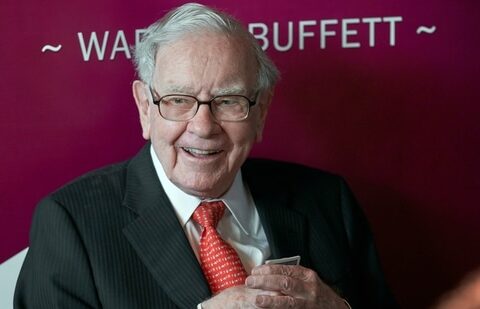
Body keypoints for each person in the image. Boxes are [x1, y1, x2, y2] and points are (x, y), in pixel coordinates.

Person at [14, 3, 397, 308]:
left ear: (260, 111)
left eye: (228, 101)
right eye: (179, 100)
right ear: (145, 108)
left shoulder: (328, 201)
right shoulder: (73, 223)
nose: (203, 126)